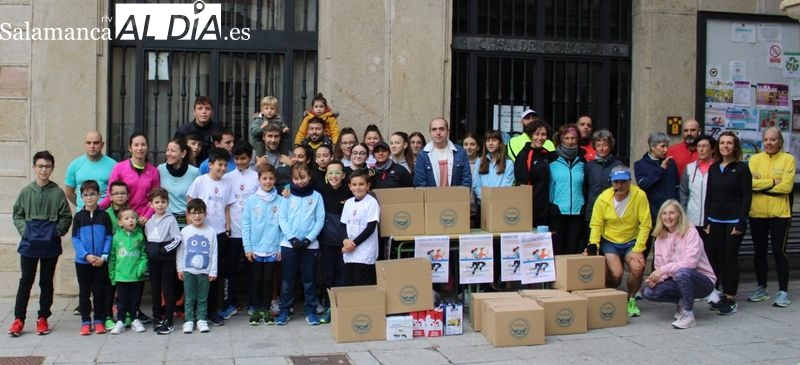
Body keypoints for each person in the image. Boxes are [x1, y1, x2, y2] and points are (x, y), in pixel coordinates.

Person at [8, 151, 72, 337]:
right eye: (40, 166)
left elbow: (66, 216)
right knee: (26, 280)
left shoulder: (57, 192)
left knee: (46, 281)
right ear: (34, 167)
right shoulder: (26, 192)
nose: (44, 170)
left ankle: (43, 317)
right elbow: (17, 214)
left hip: (50, 244)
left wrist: (55, 232)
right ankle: (19, 319)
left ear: (52, 168)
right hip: (29, 243)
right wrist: (25, 231)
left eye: (48, 166)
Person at [586, 165, 651, 318]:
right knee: (616, 274)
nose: (620, 185)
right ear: (611, 182)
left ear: (629, 182)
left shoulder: (640, 195)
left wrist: (638, 248)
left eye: (623, 182)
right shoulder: (603, 198)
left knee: (637, 267)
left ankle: (631, 299)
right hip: (610, 241)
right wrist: (593, 246)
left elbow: (645, 224)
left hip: (631, 240)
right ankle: (611, 296)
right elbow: (596, 224)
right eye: (616, 182)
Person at [643, 200, 716, 329]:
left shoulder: (690, 232)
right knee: (650, 292)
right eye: (664, 213)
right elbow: (660, 266)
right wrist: (656, 278)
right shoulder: (659, 238)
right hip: (678, 279)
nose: (667, 217)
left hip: (703, 281)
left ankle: (688, 315)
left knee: (682, 272)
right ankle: (682, 303)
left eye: (672, 213)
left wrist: (662, 270)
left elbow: (690, 263)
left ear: (679, 215)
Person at [187, 148, 236, 326]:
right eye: (219, 164)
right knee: (198, 271)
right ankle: (195, 310)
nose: (223, 168)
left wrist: (228, 228)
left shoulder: (227, 184)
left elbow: (227, 208)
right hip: (201, 233)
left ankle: (212, 311)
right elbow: (190, 204)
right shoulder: (201, 181)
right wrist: (192, 227)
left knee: (215, 274)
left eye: (225, 165)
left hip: (220, 234)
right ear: (210, 165)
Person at [704, 131, 752, 315]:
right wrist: (707, 220)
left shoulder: (742, 168)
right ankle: (720, 295)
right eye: (722, 143)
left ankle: (730, 298)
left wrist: (741, 222)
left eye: (729, 143)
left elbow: (747, 197)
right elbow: (709, 195)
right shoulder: (714, 168)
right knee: (716, 258)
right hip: (715, 220)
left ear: (735, 147)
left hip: (733, 221)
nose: (725, 146)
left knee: (729, 258)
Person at [747, 127, 795, 307]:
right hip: (757, 212)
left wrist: (761, 185)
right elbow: (749, 184)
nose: (769, 143)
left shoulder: (788, 160)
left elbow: (787, 188)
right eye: (766, 139)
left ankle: (783, 291)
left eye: (773, 140)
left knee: (778, 251)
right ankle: (761, 288)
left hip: (779, 214)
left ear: (780, 142)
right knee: (759, 252)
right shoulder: (755, 159)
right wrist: (774, 182)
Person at [276, 162, 325, 326]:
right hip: (289, 245)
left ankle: (311, 311)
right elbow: (282, 218)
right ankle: (284, 310)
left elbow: (320, 220)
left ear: (309, 176)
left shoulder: (317, 196)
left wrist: (308, 239)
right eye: (296, 178)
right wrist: (291, 238)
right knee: (287, 280)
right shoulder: (286, 195)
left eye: (303, 177)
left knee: (309, 280)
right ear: (291, 179)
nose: (300, 181)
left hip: (309, 246)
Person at [219, 143, 259, 320]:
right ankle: (231, 303)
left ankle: (253, 302)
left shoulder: (257, 177)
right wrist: (227, 226)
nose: (240, 162)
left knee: (253, 270)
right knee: (231, 269)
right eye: (236, 159)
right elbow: (225, 204)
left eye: (243, 158)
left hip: (252, 232)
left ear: (250, 158)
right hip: (233, 231)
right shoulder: (227, 178)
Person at [634, 131, 679, 277]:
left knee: (664, 251)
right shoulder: (640, 165)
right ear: (653, 147)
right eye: (662, 146)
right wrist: (660, 170)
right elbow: (644, 185)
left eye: (667, 146)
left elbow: (676, 186)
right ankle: (637, 285)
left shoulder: (672, 164)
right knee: (644, 249)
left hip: (668, 215)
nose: (666, 150)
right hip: (649, 214)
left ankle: (658, 281)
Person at [242, 164, 282, 325]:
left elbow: (283, 225)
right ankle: (256, 308)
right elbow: (246, 224)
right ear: (259, 180)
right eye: (264, 178)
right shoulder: (252, 200)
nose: (267, 181)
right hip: (256, 248)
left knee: (268, 279)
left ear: (275, 180)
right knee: (256, 279)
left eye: (271, 178)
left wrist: (280, 248)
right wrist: (248, 248)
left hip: (272, 248)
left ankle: (266, 309)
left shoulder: (280, 200)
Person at [71, 180, 113, 335]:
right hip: (83, 262)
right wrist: (86, 255)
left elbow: (109, 237)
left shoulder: (104, 216)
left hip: (100, 261)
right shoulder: (78, 217)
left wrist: (104, 256)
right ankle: (85, 321)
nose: (89, 198)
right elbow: (75, 238)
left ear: (99, 195)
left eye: (92, 194)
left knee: (99, 291)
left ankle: (99, 320)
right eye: (86, 195)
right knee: (84, 292)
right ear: (81, 197)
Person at [679, 135, 717, 302]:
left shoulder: (717, 168)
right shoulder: (690, 168)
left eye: (705, 146)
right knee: (694, 255)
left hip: (712, 220)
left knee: (711, 255)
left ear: (712, 149)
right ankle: (696, 287)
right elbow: (684, 192)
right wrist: (684, 215)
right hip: (692, 220)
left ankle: (713, 288)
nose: (701, 149)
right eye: (699, 146)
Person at [316, 160, 352, 323]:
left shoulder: (350, 192)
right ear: (326, 176)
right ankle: (328, 303)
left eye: (337, 173)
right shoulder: (320, 192)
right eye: (330, 173)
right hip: (326, 240)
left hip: (346, 242)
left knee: (342, 274)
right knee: (327, 274)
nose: (334, 176)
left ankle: (341, 304)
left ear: (343, 175)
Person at [99, 133, 161, 226]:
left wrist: (147, 216)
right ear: (130, 148)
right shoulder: (119, 168)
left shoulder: (153, 171)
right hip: (124, 219)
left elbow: (155, 198)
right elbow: (110, 194)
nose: (140, 148)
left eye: (143, 145)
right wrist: (95, 209)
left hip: (144, 221)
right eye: (136, 145)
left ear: (147, 147)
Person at [143, 187, 182, 335]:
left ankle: (168, 319)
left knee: (168, 289)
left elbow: (177, 239)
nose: (160, 205)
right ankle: (157, 317)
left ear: (167, 203)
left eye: (163, 202)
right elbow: (148, 238)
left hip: (166, 260)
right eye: (157, 202)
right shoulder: (149, 222)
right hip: (154, 261)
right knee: (155, 289)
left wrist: (164, 250)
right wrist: (151, 251)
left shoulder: (170, 219)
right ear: (151, 205)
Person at [177, 199, 219, 334]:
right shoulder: (185, 231)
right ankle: (189, 320)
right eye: (194, 213)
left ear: (205, 214)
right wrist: (180, 268)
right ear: (188, 215)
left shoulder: (211, 231)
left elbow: (214, 252)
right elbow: (181, 251)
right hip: (189, 271)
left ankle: (201, 319)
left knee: (202, 297)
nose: (197, 216)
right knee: (189, 297)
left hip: (205, 272)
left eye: (200, 213)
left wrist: (213, 271)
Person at [108, 208, 148, 335]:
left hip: (136, 276)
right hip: (122, 276)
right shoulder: (117, 237)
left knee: (135, 299)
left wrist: (141, 268)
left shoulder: (140, 236)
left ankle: (135, 319)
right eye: (127, 218)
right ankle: (120, 321)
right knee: (122, 300)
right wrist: (113, 274)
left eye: (133, 218)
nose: (131, 220)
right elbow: (113, 257)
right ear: (120, 222)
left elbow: (144, 254)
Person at [549, 123, 586, 255]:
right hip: (557, 211)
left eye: (573, 138)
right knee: (557, 250)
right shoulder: (551, 159)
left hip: (577, 211)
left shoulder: (582, 160)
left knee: (574, 249)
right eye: (566, 138)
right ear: (560, 139)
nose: (570, 141)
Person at [341, 169, 380, 286]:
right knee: (349, 283)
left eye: (361, 184)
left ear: (368, 186)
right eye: (354, 184)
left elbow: (370, 228)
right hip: (349, 252)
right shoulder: (348, 203)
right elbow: (342, 224)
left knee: (362, 284)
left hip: (365, 252)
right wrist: (345, 241)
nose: (358, 187)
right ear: (350, 186)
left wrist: (353, 244)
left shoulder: (371, 202)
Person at [514, 120, 553, 228]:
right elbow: (521, 182)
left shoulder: (547, 154)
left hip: (546, 209)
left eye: (543, 134)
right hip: (530, 209)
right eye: (537, 134)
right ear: (531, 135)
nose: (540, 138)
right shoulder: (524, 155)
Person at [64, 131, 117, 210]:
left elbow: (117, 191)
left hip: (105, 214)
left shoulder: (114, 165)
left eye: (96, 143)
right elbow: (69, 193)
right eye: (88, 143)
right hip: (82, 215)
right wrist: (82, 205)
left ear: (102, 145)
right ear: (84, 144)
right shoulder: (74, 165)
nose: (92, 146)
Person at [414, 117, 472, 188]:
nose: (438, 133)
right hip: (431, 198)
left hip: (456, 198)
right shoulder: (422, 155)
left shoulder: (460, 152)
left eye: (441, 129)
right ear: (430, 132)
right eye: (434, 129)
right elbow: (420, 183)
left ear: (448, 131)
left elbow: (466, 180)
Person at [585, 130, 623, 230]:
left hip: (613, 209)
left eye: (605, 145)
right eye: (598, 145)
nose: (601, 148)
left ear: (610, 146)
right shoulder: (589, 166)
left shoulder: (618, 165)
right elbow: (585, 188)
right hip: (593, 209)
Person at [158, 137, 200, 227]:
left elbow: (198, 200)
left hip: (187, 223)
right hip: (165, 222)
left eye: (172, 151)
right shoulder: (160, 169)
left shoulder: (194, 172)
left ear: (183, 153)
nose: (168, 153)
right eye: (167, 150)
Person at [472, 130, 514, 203]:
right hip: (483, 204)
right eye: (488, 141)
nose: (490, 143)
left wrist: (494, 199)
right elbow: (476, 185)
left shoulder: (508, 163)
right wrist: (485, 198)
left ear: (500, 144)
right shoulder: (479, 162)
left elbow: (507, 186)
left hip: (501, 203)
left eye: (494, 140)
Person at [175, 96, 220, 163]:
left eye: (207, 108)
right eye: (200, 108)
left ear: (212, 113)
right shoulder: (184, 130)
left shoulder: (218, 130)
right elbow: (176, 151)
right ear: (194, 112)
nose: (204, 111)